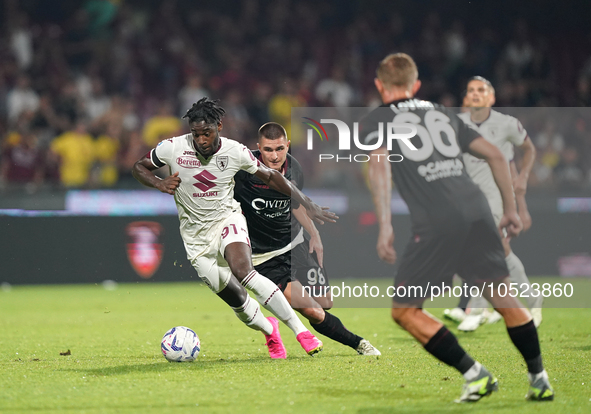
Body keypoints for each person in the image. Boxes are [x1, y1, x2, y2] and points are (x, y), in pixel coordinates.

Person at [364, 53, 553, 402]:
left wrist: (385, 225)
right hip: (478, 210)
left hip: (437, 220)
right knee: (504, 297)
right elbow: (497, 155)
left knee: (404, 310)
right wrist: (509, 209)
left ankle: (475, 374)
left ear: (379, 85)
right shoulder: (442, 112)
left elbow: (378, 167)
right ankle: (539, 378)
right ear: (416, 85)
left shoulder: (378, 118)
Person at [132, 98, 337, 359]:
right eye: (196, 134)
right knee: (239, 303)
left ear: (219, 126)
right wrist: (158, 183)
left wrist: (307, 203)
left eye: (207, 133)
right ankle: (269, 330)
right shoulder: (172, 148)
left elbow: (273, 177)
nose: (201, 140)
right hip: (195, 239)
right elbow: (139, 166)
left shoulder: (235, 151)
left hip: (227, 220)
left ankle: (301, 332)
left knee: (244, 271)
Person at [234, 122, 381, 356]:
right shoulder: (242, 171)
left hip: (297, 245)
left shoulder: (295, 168)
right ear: (258, 147)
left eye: (280, 149)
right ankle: (360, 344)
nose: (274, 156)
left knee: (325, 303)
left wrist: (315, 234)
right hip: (267, 259)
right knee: (312, 311)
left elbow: (294, 204)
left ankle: (282, 311)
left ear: (288, 145)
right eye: (268, 150)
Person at [444, 76, 541, 331]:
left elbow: (528, 150)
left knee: (483, 248)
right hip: (467, 199)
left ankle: (475, 310)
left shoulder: (507, 124)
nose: (475, 94)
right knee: (495, 252)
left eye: (481, 90)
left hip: (496, 197)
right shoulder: (458, 124)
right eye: (471, 90)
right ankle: (528, 298)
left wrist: (522, 180)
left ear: (491, 97)